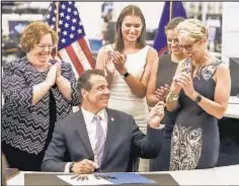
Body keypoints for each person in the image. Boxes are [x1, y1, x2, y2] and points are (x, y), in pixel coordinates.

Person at [41, 69, 165, 173]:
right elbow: (48, 163)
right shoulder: (66, 126)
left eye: (107, 87)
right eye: (100, 88)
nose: (107, 92)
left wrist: (153, 125)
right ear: (85, 93)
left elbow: (149, 151)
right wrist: (73, 166)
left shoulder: (125, 121)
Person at [2, 21, 81, 171]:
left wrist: (58, 78)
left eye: (49, 46)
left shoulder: (63, 67)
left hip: (59, 145)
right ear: (28, 44)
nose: (46, 50)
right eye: (41, 46)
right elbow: (16, 101)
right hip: (22, 146)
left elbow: (77, 99)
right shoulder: (14, 69)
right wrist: (47, 82)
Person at [96, 5, 158, 171]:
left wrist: (122, 70)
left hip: (138, 118)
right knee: (109, 168)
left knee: (139, 171)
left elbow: (141, 92)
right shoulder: (105, 51)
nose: (132, 30)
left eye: (137, 26)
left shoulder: (150, 53)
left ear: (142, 27)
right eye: (128, 25)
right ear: (119, 26)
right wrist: (109, 73)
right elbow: (97, 90)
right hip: (110, 118)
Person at [166, 19, 231, 170]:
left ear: (203, 40)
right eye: (182, 47)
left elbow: (220, 111)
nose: (185, 51)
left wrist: (193, 94)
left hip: (204, 137)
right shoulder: (184, 64)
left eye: (189, 46)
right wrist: (174, 91)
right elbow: (170, 107)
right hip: (179, 134)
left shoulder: (220, 69)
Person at [147, 17, 185, 171]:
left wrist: (174, 95)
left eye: (177, 40)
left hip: (185, 129)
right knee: (160, 175)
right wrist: (161, 98)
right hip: (163, 129)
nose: (173, 44)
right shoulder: (160, 61)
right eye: (170, 40)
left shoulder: (194, 63)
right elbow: (149, 99)